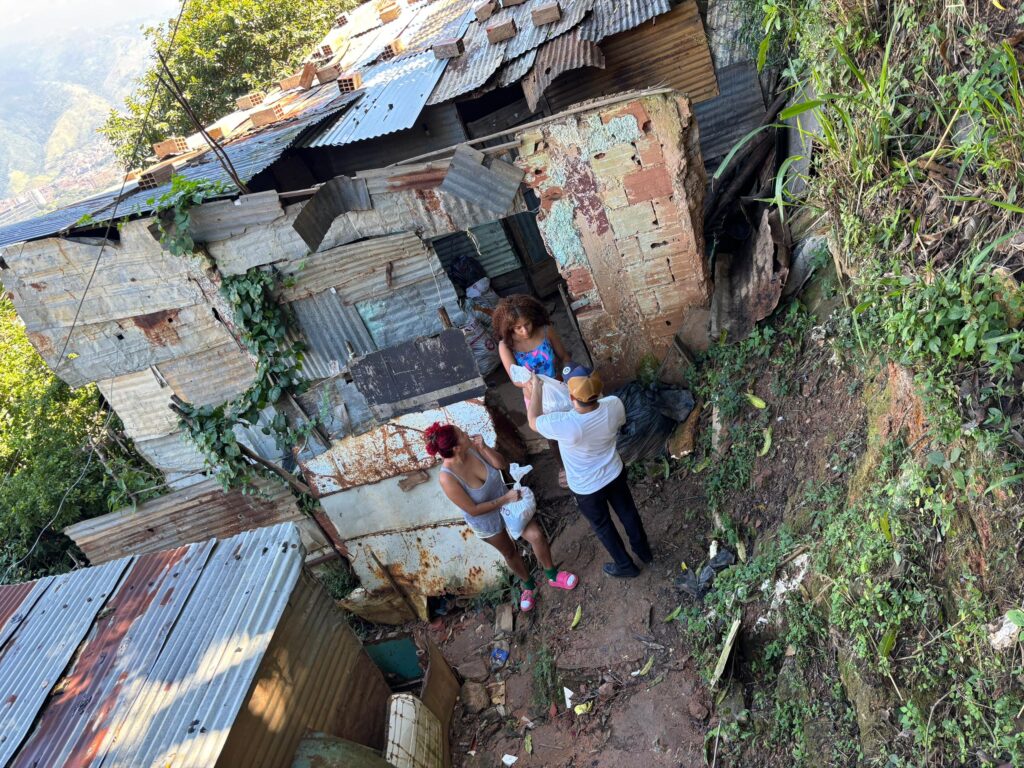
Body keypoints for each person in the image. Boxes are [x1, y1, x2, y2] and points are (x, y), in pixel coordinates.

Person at [425, 422, 578, 611]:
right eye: (461, 434)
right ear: (456, 448)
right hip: (485, 519)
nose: (466, 432)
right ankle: (528, 586)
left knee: (536, 535)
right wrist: (505, 498)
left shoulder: (473, 449)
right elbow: (473, 510)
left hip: (509, 504)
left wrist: (484, 447)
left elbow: (501, 464)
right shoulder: (447, 478)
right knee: (509, 552)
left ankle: (552, 576)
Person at [527, 365, 653, 578]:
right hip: (614, 473)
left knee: (603, 526)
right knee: (628, 512)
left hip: (586, 488)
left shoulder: (564, 423)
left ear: (571, 396)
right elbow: (618, 421)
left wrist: (536, 388)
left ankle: (625, 566)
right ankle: (644, 552)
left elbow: (532, 420)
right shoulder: (613, 405)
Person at [494, 294, 570, 488]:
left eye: (527, 324)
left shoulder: (546, 330)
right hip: (534, 396)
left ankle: (579, 458)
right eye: (517, 328)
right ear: (509, 328)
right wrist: (533, 384)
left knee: (571, 425)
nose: (524, 330)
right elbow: (515, 379)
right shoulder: (506, 345)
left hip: (560, 388)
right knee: (551, 435)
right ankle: (563, 466)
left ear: (533, 318)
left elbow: (564, 357)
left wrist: (570, 376)